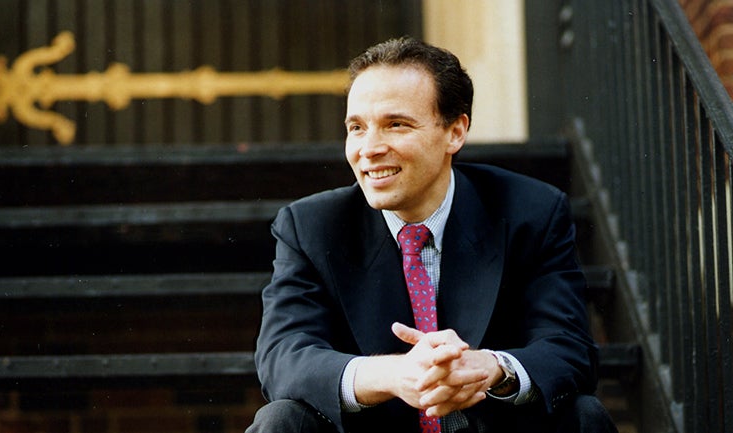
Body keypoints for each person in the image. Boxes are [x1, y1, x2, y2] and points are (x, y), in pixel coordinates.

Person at [246, 37, 617, 433]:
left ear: (455, 132)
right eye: (356, 128)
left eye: (396, 125)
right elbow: (282, 357)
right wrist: (394, 374)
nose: (368, 148)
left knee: (583, 416)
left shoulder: (531, 213)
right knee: (280, 421)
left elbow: (569, 349)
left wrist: (492, 368)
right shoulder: (311, 227)